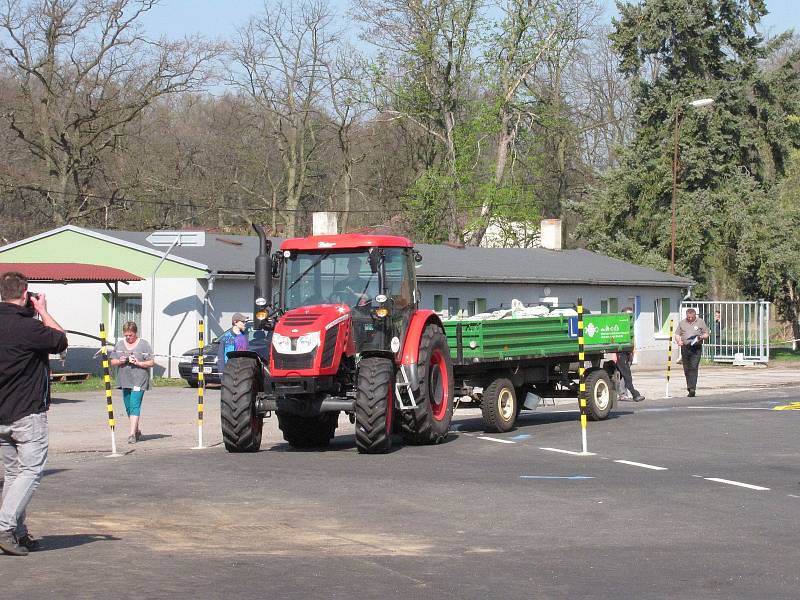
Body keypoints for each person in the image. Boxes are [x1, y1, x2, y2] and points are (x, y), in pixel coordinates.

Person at [0, 271, 68, 556]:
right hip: (26, 413)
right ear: (25, 293)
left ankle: (17, 531)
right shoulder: (29, 328)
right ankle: (4, 527)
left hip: (1, 414)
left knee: (13, 475)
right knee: (30, 471)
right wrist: (42, 311)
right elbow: (60, 340)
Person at [110, 322, 154, 444]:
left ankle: (132, 434)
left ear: (135, 333)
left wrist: (138, 363)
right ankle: (136, 430)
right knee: (128, 407)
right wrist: (120, 360)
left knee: (135, 405)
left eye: (130, 335)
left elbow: (151, 362)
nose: (128, 338)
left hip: (139, 379)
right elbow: (112, 361)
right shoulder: (119, 345)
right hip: (125, 380)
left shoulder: (144, 344)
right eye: (126, 335)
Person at [674, 308, 710, 397]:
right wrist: (678, 341)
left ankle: (692, 388)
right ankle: (689, 387)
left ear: (695, 315)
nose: (690, 319)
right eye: (688, 317)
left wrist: (702, 337)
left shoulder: (700, 322)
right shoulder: (682, 323)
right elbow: (677, 334)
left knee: (694, 367)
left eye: (691, 317)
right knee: (687, 369)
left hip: (696, 348)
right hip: (685, 348)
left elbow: (706, 333)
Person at [615, 307, 645, 402]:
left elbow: (632, 340)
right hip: (621, 353)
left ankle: (622, 394)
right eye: (628, 315)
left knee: (623, 375)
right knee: (627, 375)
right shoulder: (619, 326)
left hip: (628, 353)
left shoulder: (630, 326)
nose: (630, 317)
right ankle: (634, 394)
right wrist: (614, 355)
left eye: (631, 315)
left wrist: (633, 352)